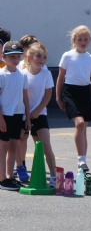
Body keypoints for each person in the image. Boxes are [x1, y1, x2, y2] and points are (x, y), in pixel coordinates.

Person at [56, 25, 91, 175]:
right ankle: (81, 159)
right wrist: (58, 97)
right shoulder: (67, 56)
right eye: (79, 39)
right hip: (70, 92)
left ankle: (83, 162)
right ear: (74, 40)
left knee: (84, 127)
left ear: (90, 40)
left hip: (85, 92)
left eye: (86, 39)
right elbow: (60, 77)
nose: (83, 42)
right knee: (80, 124)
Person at [20, 42, 57, 187]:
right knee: (21, 141)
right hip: (23, 114)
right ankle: (21, 170)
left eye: (45, 57)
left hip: (39, 114)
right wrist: (27, 114)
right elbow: (21, 95)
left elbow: (48, 95)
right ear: (29, 57)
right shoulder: (22, 73)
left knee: (44, 145)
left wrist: (36, 111)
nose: (42, 59)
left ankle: (53, 175)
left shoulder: (46, 74)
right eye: (39, 56)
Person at [0, 41, 30, 191]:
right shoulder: (1, 75)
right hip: (5, 115)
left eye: (18, 56)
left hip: (18, 114)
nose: (15, 59)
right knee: (3, 146)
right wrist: (1, 119)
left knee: (13, 145)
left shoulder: (22, 75)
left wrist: (28, 117)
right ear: (3, 57)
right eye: (12, 56)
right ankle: (2, 179)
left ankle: (9, 175)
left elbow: (25, 97)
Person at [15, 35, 40, 182]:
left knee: (38, 140)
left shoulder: (40, 65)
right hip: (22, 109)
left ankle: (38, 168)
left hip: (36, 110)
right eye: (25, 49)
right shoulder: (19, 66)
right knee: (21, 137)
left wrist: (38, 109)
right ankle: (21, 165)